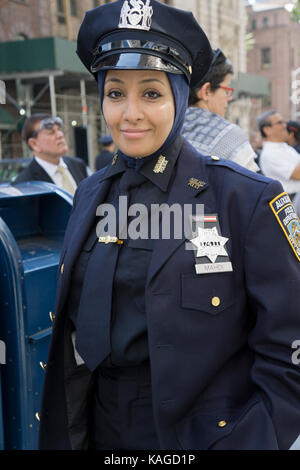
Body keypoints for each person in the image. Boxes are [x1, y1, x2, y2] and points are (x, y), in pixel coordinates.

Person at [38, 0, 300, 451]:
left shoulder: (245, 199)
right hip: (97, 425)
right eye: (116, 93)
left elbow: (289, 348)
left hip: (200, 435)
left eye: (152, 93)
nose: (130, 114)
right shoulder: (89, 192)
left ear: (179, 97)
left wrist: (252, 440)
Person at [182, 49, 259, 172]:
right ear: (206, 91)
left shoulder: (166, 130)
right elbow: (250, 188)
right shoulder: (231, 137)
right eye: (226, 90)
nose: (229, 98)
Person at [15, 114, 90, 195]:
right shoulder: (24, 184)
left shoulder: (78, 165)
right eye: (51, 133)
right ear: (34, 144)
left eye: (59, 129)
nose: (60, 135)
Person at [258, 110, 300, 200]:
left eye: (284, 122)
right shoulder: (269, 154)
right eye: (279, 123)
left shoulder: (284, 147)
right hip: (291, 200)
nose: (285, 126)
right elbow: (297, 175)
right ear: (267, 130)